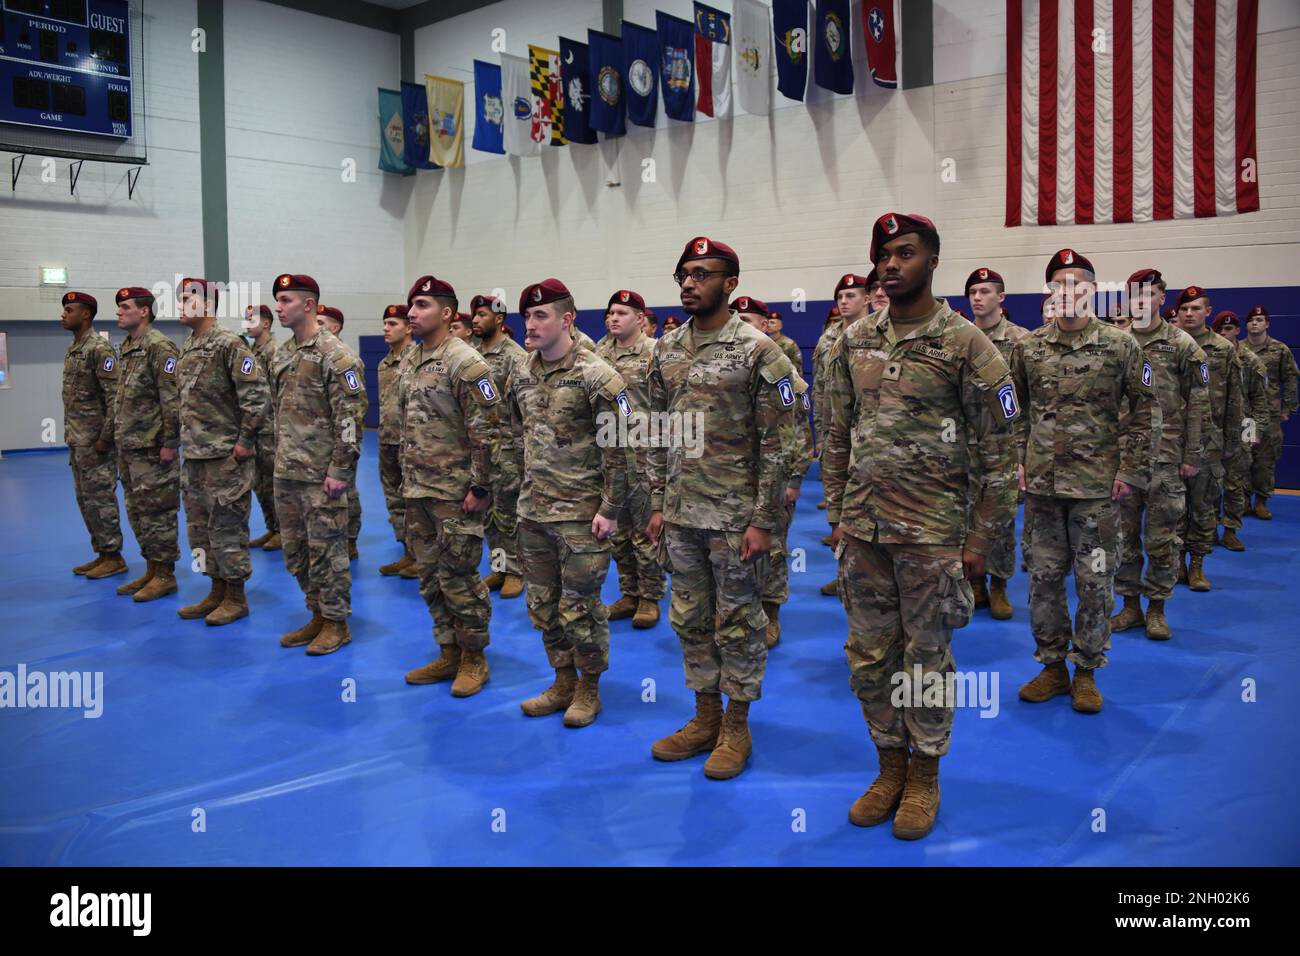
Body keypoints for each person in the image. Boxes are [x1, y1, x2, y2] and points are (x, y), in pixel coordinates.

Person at [823, 213, 1017, 839]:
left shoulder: (966, 344)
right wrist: (837, 515)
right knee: (869, 660)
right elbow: (834, 433)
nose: (891, 265)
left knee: (925, 662)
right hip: (864, 534)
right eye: (883, 254)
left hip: (933, 536)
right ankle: (888, 766)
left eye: (905, 253)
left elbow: (999, 453)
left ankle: (925, 775)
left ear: (933, 261)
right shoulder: (855, 340)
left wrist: (981, 539)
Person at [646, 237, 798, 780]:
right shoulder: (665, 350)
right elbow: (655, 432)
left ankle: (736, 725)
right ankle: (704, 716)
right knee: (689, 620)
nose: (689, 283)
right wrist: (659, 504)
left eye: (702, 274)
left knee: (737, 623)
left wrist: (763, 520)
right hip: (683, 514)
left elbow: (784, 442)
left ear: (730, 284)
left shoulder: (761, 351)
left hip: (736, 519)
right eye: (683, 274)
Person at [1014, 250, 1154, 713]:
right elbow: (1016, 413)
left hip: (1098, 491)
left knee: (1095, 582)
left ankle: (1087, 670)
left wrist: (1131, 470)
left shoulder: (1120, 346)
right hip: (1042, 491)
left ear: (1093, 290)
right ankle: (1052, 666)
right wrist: (1018, 460)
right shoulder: (1029, 347)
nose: (1067, 291)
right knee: (1043, 580)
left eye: (1076, 283)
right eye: (1058, 284)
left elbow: (1147, 411)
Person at [503, 279, 629, 727]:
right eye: (527, 317)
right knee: (542, 603)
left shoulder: (599, 376)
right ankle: (561, 680)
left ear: (567, 320)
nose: (531, 325)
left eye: (541, 316)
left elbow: (623, 449)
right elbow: (520, 434)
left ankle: (589, 687)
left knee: (580, 608)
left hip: (582, 518)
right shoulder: (521, 371)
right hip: (534, 509)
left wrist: (611, 509)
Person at [400, 276, 503, 697]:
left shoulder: (467, 362)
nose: (411, 313)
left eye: (422, 305)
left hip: (454, 493)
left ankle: (474, 658)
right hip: (417, 490)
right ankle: (448, 651)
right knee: (430, 578)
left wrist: (480, 487)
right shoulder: (411, 358)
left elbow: (489, 430)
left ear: (446, 313)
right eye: (411, 305)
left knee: (459, 578)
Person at [269, 274, 366, 655]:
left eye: (286, 299)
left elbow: (351, 416)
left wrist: (340, 470)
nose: (279, 306)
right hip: (286, 471)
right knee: (296, 552)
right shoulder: (282, 352)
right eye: (277, 299)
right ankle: (317, 614)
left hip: (320, 475)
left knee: (328, 552)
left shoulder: (336, 355)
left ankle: (337, 623)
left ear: (308, 305)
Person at [1110, 269, 1207, 641]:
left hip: (1166, 457)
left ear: (1162, 299)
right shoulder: (1116, 342)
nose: (1141, 302)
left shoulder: (1183, 345)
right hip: (1124, 458)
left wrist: (1191, 453)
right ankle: (1130, 606)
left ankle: (1157, 609)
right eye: (1135, 296)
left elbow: (1198, 402)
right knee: (1122, 535)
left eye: (1148, 295)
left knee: (1163, 538)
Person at [174, 277, 270, 625]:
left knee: (227, 529)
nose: (181, 304)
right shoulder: (187, 347)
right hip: (195, 457)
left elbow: (257, 397)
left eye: (188, 299)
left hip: (225, 458)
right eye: (180, 298)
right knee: (199, 530)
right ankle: (214, 589)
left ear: (209, 304)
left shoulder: (229, 344)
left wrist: (244, 442)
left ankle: (235, 596)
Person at [733, 295, 812, 647]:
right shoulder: (727, 368)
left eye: (749, 320)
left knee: (773, 549)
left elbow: (798, 427)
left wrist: (794, 479)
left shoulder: (781, 368)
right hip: (735, 478)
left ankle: (771, 613)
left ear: (766, 326)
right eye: (737, 319)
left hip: (775, 475)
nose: (741, 325)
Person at [596, 289, 665, 629]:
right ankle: (629, 592)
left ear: (640, 319)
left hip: (644, 456)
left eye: (622, 313)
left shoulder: (656, 353)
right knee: (617, 532)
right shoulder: (597, 353)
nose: (613, 318)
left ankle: (650, 596)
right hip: (608, 456)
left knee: (644, 531)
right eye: (610, 313)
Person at [964, 267, 1029, 620]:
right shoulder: (957, 337)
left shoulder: (1022, 341)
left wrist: (1022, 456)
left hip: (1005, 444)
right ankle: (973, 581)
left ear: (1001, 297)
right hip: (965, 443)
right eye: (973, 291)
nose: (978, 297)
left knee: (1001, 516)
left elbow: (1028, 402)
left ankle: (999, 584)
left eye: (986, 291)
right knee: (966, 513)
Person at [111, 286, 182, 602]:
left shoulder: (160, 347)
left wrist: (170, 442)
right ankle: (152, 569)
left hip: (153, 448)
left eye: (125, 307)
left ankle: (165, 574)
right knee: (138, 511)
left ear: (144, 311)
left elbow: (171, 399)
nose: (119, 312)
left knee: (158, 511)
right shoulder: (127, 347)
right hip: (129, 448)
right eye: (119, 307)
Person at [1173, 286, 1242, 591]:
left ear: (1207, 312)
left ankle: (1198, 564)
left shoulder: (1223, 349)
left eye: (1196, 308)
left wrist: (1232, 442)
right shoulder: (1170, 345)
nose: (1189, 314)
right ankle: (1176, 562)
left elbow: (1234, 400)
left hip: (1209, 441)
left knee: (1203, 507)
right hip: (1173, 440)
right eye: (1185, 309)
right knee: (1173, 506)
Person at [61, 291, 125, 579]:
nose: (63, 314)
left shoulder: (99, 349)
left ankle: (114, 556)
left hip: (96, 443)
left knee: (101, 499)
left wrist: (106, 437)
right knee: (85, 499)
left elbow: (114, 397)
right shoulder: (74, 349)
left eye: (69, 309)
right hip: (77, 441)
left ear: (85, 314)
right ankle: (102, 552)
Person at [816, 277, 872, 594]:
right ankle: (845, 573)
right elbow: (822, 389)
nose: (844, 301)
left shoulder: (877, 335)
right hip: (838, 436)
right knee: (842, 512)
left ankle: (872, 577)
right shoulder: (828, 340)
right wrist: (821, 432)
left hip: (869, 439)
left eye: (851, 295)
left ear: (866, 300)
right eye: (840, 296)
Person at [471, 294, 528, 599]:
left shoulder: (515, 356)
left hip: (508, 448)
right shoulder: (471, 354)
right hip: (480, 448)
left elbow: (524, 406)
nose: (476, 320)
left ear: (499, 319)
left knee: (508, 514)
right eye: (474, 316)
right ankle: (498, 567)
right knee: (488, 515)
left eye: (482, 315)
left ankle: (516, 572)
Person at [1213, 311, 1268, 551]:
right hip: (1212, 429)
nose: (1224, 333)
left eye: (1229, 329)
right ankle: (1209, 529)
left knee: (1236, 485)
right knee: (1209, 486)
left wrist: (1254, 431)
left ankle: (1231, 530)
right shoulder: (1208, 355)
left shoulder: (1250, 360)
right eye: (1220, 330)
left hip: (1241, 429)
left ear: (1237, 330)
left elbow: (1259, 400)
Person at [315, 305, 366, 560]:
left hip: (342, 443)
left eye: (321, 321)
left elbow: (351, 412)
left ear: (334, 327)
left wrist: (345, 450)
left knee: (347, 490)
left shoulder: (342, 358)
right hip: (317, 445)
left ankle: (350, 538)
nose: (316, 325)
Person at [1241, 305, 1298, 519]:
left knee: (1266, 458)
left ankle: (1262, 501)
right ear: (1246, 324)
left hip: (1271, 414)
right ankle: (1244, 500)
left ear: (1267, 323)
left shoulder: (1279, 349)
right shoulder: (1239, 348)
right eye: (1251, 320)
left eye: (1259, 319)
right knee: (1246, 457)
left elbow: (1290, 379)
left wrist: (1288, 407)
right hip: (1247, 415)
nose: (1255, 323)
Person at [377, 304, 418, 577]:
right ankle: (407, 551)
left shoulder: (416, 358)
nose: (386, 328)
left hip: (411, 442)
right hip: (387, 439)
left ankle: (420, 556)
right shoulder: (384, 363)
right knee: (395, 500)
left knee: (415, 502)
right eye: (385, 323)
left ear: (408, 327)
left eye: (393, 323)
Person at [245, 305, 281, 550]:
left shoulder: (274, 351)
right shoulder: (251, 351)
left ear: (266, 323)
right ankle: (271, 527)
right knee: (260, 483)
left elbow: (276, 392)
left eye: (251, 319)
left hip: (270, 427)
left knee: (274, 482)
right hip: (255, 427)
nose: (246, 323)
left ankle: (282, 530)